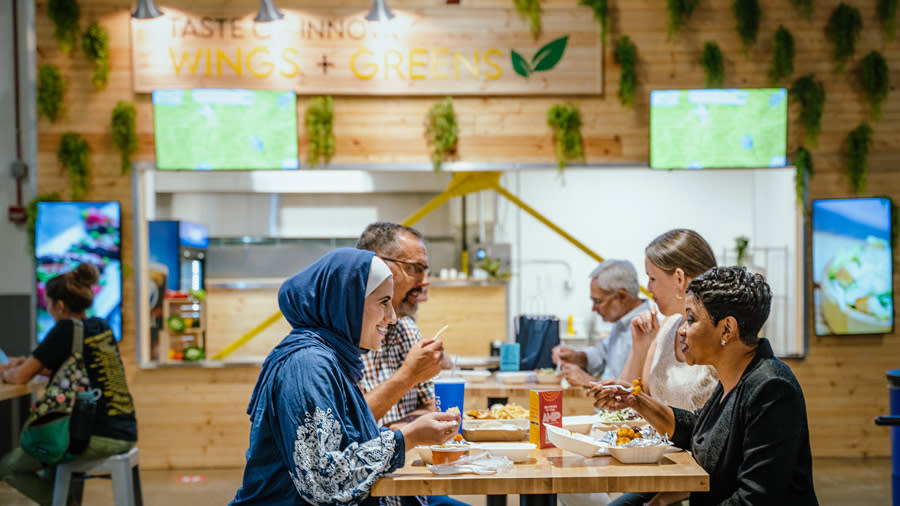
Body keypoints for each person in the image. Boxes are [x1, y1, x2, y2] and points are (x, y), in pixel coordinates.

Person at [230, 248, 460, 506]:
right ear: (346, 302)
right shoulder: (308, 365)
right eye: (383, 302)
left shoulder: (334, 358)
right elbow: (324, 482)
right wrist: (408, 438)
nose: (392, 317)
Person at [591, 267, 818, 506]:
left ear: (727, 329)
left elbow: (755, 498)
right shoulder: (735, 377)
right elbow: (698, 430)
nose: (682, 330)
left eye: (691, 319)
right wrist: (636, 400)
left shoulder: (771, 387)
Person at [0, 263, 138, 506]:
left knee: (10, 467)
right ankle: (62, 499)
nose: (49, 309)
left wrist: (6, 371)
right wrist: (26, 363)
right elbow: (71, 366)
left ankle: (66, 503)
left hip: (97, 435)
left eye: (48, 303)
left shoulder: (65, 328)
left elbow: (20, 377)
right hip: (123, 429)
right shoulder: (100, 326)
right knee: (50, 451)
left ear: (60, 305)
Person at [357, 223, 447, 429]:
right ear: (377, 265)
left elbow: (435, 405)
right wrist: (409, 375)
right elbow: (349, 426)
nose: (425, 283)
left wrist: (393, 433)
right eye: (415, 269)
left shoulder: (404, 327)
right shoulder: (337, 341)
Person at [552, 259, 649, 387]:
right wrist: (576, 357)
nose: (593, 308)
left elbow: (634, 392)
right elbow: (602, 354)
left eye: (598, 301)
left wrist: (592, 382)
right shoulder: (622, 323)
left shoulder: (647, 328)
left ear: (622, 296)